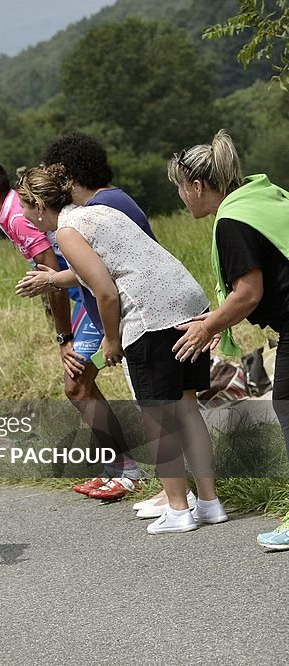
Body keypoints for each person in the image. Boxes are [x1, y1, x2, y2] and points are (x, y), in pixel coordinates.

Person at [17, 164, 227, 534]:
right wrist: (51, 278)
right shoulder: (96, 212)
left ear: (38, 204)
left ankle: (179, 509)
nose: (25, 217)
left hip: (150, 316)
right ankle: (210, 504)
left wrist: (112, 340)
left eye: (26, 208)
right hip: (190, 304)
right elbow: (96, 269)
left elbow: (105, 291)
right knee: (186, 406)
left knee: (157, 416)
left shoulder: (67, 231)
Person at [0, 160, 141, 500]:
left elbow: (50, 274)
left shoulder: (18, 218)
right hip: (84, 296)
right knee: (81, 385)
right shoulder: (16, 211)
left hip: (92, 294)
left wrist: (64, 338)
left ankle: (127, 470)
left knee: (76, 385)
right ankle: (118, 466)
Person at [166, 130, 289, 549]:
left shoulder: (232, 221)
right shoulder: (261, 197)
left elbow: (248, 292)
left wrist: (208, 327)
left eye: (181, 189)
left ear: (197, 186)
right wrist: (216, 317)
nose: (182, 199)